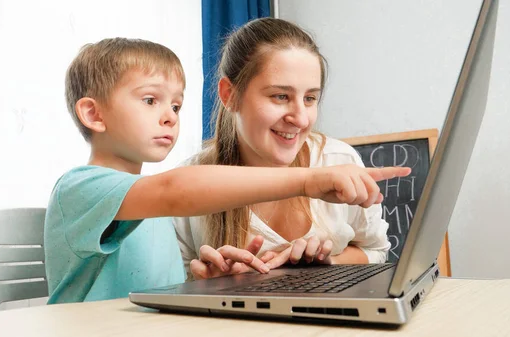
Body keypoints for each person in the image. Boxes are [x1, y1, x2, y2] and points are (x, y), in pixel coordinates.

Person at [44, 37, 409, 303]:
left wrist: (214, 282)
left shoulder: (148, 204)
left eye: (177, 104)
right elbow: (177, 191)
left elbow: (159, 290)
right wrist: (308, 180)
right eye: (151, 100)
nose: (170, 116)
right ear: (93, 114)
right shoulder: (79, 190)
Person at [174, 18, 407, 281]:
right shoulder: (189, 185)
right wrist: (211, 284)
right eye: (280, 96)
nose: (301, 118)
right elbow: (179, 284)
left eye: (309, 98)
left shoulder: (338, 160)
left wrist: (327, 264)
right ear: (230, 95)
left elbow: (375, 250)